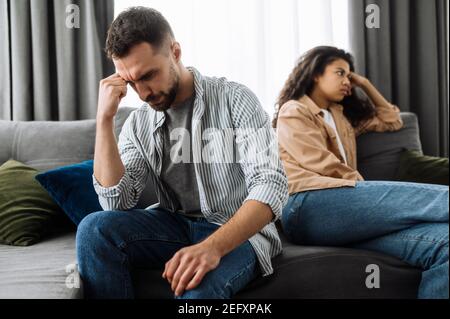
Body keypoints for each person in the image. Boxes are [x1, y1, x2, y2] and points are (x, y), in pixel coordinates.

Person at [76, 7, 288, 299]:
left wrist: (211, 248)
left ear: (175, 51)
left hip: (236, 231)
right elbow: (116, 202)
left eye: (148, 75)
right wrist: (104, 121)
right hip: (173, 225)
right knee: (93, 229)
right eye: (131, 82)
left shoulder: (234, 99)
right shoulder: (138, 124)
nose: (143, 93)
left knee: (196, 295)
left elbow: (271, 185)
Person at [274, 46, 449, 299]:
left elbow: (392, 120)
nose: (347, 82)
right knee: (441, 199)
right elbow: (317, 161)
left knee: (445, 242)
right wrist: (362, 186)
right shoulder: (294, 110)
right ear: (315, 73)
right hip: (308, 205)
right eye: (340, 73)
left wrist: (364, 83)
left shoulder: (342, 118)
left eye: (350, 77)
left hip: (349, 218)